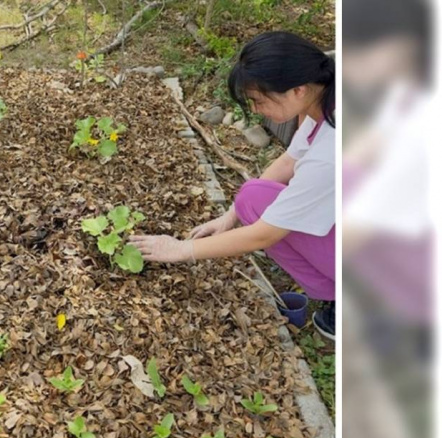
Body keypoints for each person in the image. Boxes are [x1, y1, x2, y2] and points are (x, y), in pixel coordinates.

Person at [130, 31, 336, 339]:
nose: (255, 110)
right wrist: (230, 216)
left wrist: (180, 249)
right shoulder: (325, 101)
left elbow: (263, 235)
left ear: (297, 90)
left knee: (265, 217)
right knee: (251, 197)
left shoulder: (330, 153)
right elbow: (287, 162)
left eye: (259, 100)